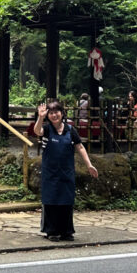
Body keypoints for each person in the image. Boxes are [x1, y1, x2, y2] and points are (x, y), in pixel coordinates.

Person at [34, 100, 98, 241]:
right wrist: (40, 117)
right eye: (50, 113)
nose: (54, 115)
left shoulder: (70, 130)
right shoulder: (47, 129)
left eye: (56, 112)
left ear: (62, 113)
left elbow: (80, 147)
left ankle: (66, 231)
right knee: (51, 201)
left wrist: (89, 165)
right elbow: (37, 131)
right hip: (50, 173)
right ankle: (52, 231)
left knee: (66, 201)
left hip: (66, 172)